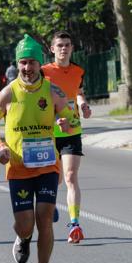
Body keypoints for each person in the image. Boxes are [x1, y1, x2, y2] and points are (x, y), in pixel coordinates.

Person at [0, 34, 77, 263]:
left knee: (44, 219)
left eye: (32, 63)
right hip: (19, 168)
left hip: (48, 166)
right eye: (22, 63)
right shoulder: (9, 92)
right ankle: (23, 238)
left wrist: (65, 124)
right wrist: (1, 147)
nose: (27, 68)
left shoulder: (53, 91)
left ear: (40, 64)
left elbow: (72, 119)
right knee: (25, 224)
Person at [41, 31, 92, 244]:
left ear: (72, 48)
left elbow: (78, 92)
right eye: (60, 45)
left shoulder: (78, 71)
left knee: (70, 176)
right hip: (48, 131)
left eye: (68, 45)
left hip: (72, 129)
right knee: (56, 179)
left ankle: (74, 223)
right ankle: (51, 205)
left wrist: (82, 104)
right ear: (52, 49)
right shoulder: (43, 72)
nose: (64, 48)